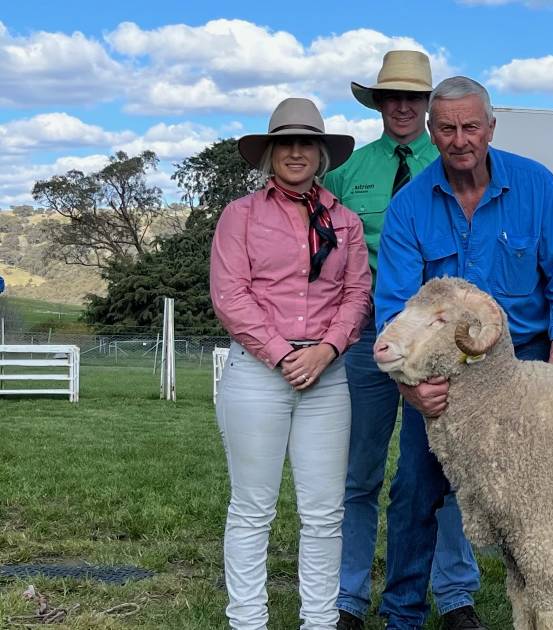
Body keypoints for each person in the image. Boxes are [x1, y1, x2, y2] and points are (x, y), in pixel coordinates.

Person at [373, 76, 553, 629]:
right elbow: (395, 308)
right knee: (416, 488)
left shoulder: (537, 187)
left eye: (471, 126)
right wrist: (412, 389)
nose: (460, 138)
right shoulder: (409, 206)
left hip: (526, 368)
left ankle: (552, 617)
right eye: (447, 127)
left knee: (538, 498)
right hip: (444, 378)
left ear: (490, 127)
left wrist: (551, 375)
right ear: (431, 131)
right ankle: (403, 616)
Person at [323, 50, 486, 630]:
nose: (402, 106)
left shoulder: (454, 164)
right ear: (378, 103)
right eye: (391, 97)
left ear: (428, 108)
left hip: (437, 342)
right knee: (360, 472)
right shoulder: (347, 174)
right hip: (367, 334)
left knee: (439, 471)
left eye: (413, 98)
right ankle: (346, 598)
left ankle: (456, 593)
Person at [210, 97, 371, 629]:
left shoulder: (344, 222)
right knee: (253, 507)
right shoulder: (240, 216)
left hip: (326, 374)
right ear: (271, 153)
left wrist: (327, 349)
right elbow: (231, 296)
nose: (297, 152)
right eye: (287, 143)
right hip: (259, 373)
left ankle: (320, 621)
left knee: (324, 513)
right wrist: (282, 355)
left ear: (321, 154)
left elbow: (357, 293)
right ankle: (247, 621)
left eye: (307, 143)